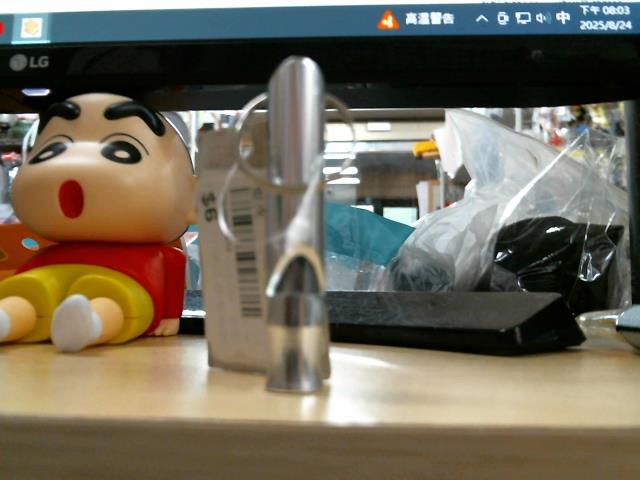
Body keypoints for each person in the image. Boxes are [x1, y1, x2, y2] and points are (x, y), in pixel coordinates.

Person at [0, 93, 196, 352]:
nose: (72, 163)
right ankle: (6, 321)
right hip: (49, 271)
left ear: (192, 194)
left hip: (128, 282)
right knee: (26, 295)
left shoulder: (163, 255)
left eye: (123, 150)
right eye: (53, 148)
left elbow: (172, 278)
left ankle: (90, 325)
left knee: (111, 301)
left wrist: (171, 316)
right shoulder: (50, 249)